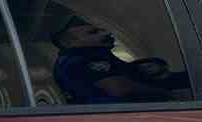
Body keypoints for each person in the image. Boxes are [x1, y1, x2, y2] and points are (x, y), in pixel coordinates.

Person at [52, 15, 189, 105]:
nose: (105, 33)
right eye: (93, 33)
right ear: (71, 42)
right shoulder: (81, 59)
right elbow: (119, 88)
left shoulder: (97, 55)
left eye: (102, 30)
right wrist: (168, 94)